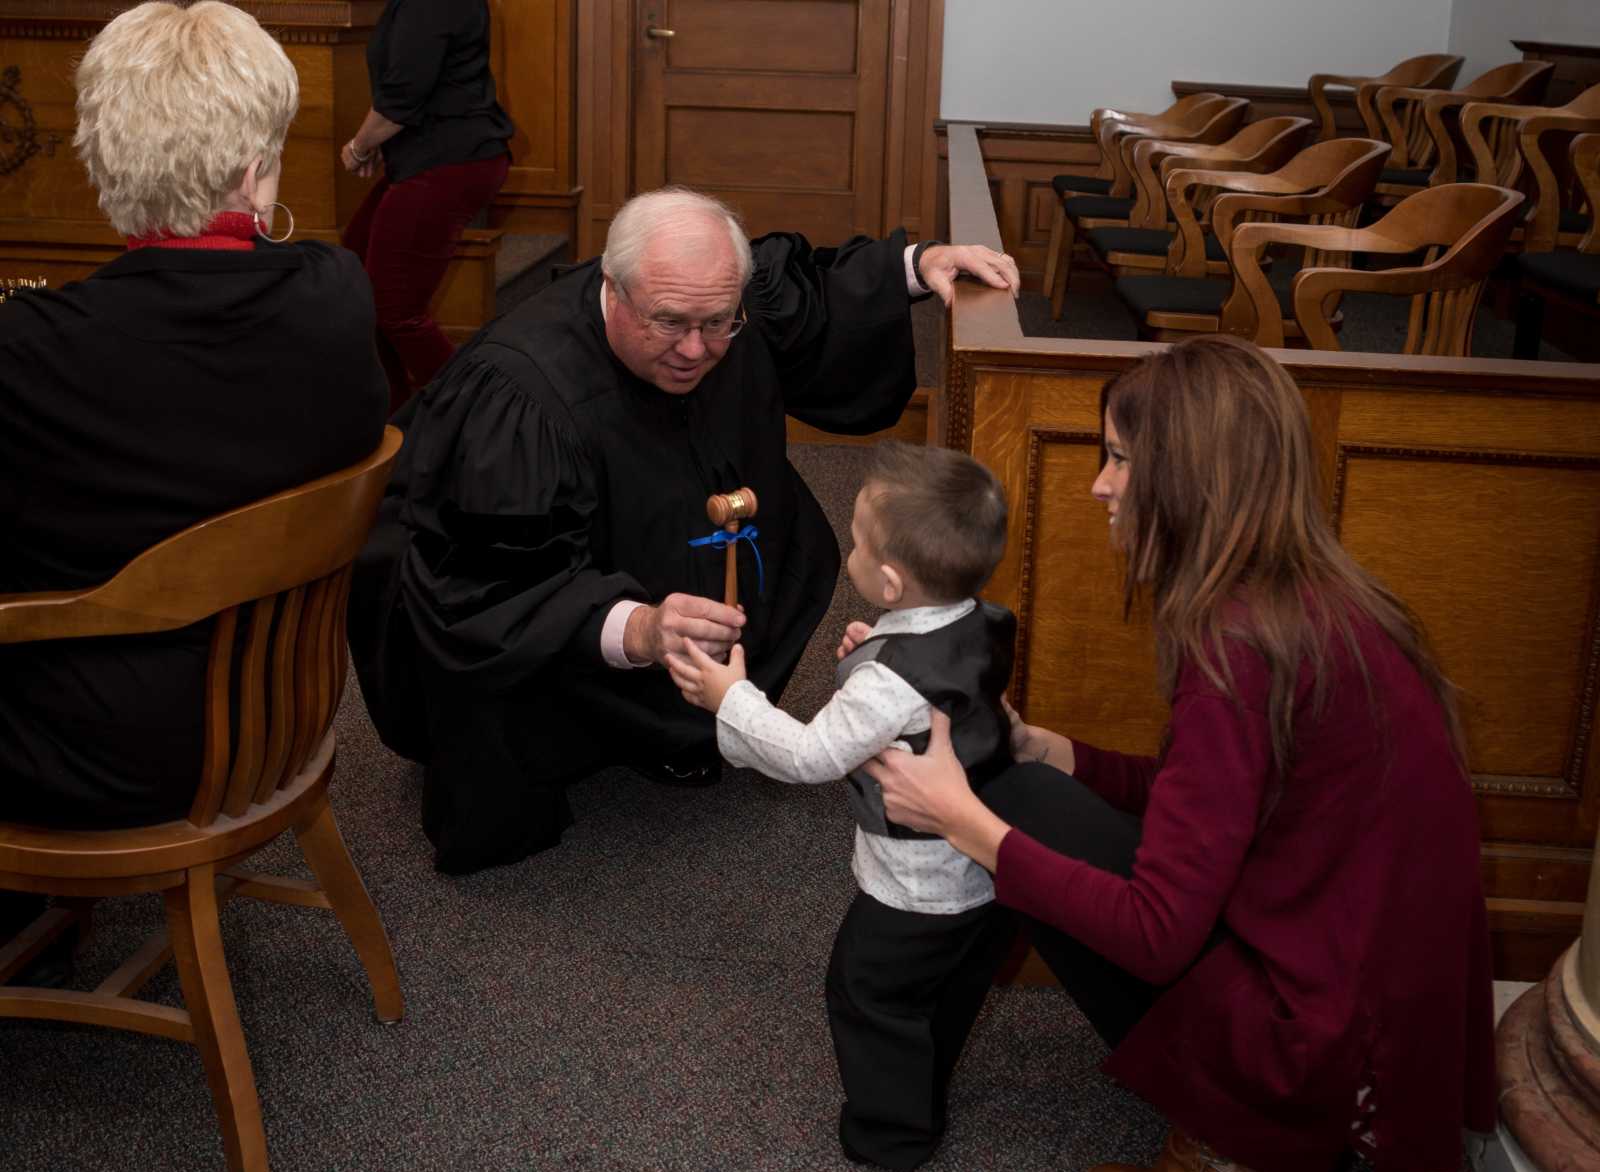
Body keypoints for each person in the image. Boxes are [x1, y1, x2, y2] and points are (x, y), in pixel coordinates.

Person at [865, 335, 1495, 1172]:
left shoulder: (1237, 650)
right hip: (1365, 1013)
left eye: (1121, 459)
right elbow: (1217, 809)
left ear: (1188, 478)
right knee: (1034, 782)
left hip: (1312, 1034)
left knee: (1013, 806)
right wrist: (1055, 749)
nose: (1099, 483)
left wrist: (966, 824)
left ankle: (1228, 1157)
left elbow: (1155, 936)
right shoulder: (1312, 601)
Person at [348, 184, 1021, 875]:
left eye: (718, 323)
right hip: (540, 575)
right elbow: (492, 579)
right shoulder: (523, 395)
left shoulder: (714, 296)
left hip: (689, 528)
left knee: (795, 545)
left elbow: (807, 293)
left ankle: (693, 725)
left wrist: (917, 264)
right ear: (613, 289)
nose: (695, 351)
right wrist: (639, 628)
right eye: (668, 323)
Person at [0, 1, 387, 967]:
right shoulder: (338, 296)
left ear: (103, 165)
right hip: (273, 718)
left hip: (98, 754)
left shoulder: (34, 357)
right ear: (256, 167)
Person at [666, 442, 1017, 1172]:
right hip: (985, 864)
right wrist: (875, 652)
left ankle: (893, 1134)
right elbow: (926, 679)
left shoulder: (888, 685)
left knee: (868, 993)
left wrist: (731, 699)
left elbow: (807, 756)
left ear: (889, 582)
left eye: (856, 543)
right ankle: (928, 1080)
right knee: (948, 984)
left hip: (915, 885)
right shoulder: (980, 617)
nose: (849, 550)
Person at [340, 0, 514, 412]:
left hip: (451, 159)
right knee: (355, 271)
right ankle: (391, 417)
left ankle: (480, 417)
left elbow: (401, 98)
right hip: (431, 154)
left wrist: (359, 147)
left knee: (395, 308)